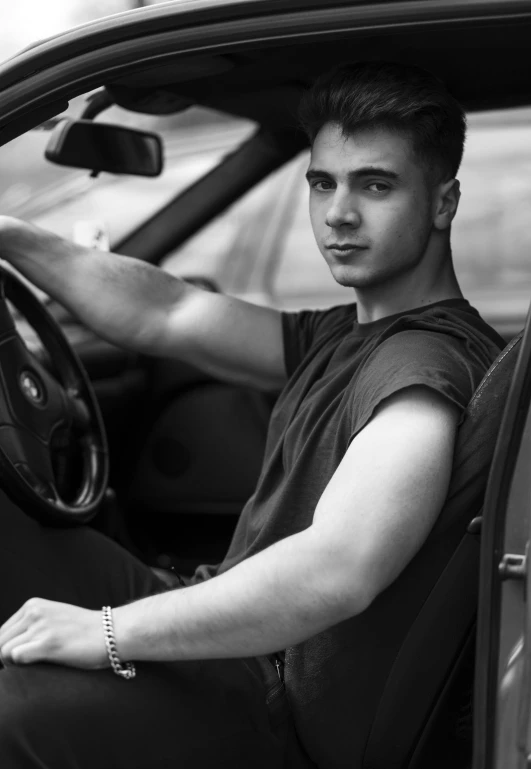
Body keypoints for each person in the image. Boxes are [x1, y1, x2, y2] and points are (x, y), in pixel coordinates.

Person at [0, 62, 504, 768]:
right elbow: (165, 310)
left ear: (443, 202)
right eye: (322, 182)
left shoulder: (421, 371)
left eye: (375, 185)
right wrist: (13, 236)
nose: (338, 213)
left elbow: (340, 566)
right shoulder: (344, 332)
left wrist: (107, 632)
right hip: (237, 635)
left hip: (265, 697)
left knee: (13, 712)